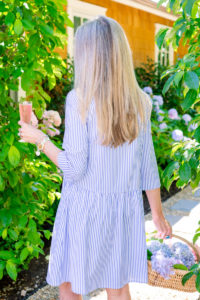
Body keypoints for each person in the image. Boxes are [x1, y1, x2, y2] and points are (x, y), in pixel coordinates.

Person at [18, 15, 172, 300]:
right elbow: (148, 165)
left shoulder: (80, 99)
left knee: (69, 285)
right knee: (118, 286)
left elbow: (74, 169)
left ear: (90, 55)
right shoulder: (141, 102)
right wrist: (159, 216)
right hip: (122, 212)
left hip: (84, 211)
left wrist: (39, 139)